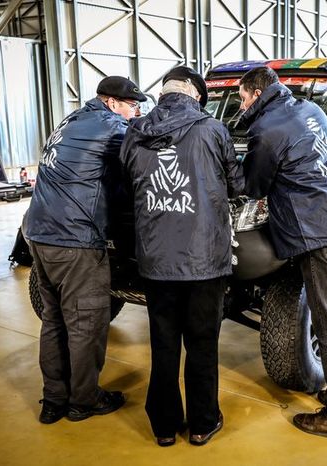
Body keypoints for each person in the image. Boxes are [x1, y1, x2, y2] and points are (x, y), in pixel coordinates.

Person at [238, 66, 327, 441]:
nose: (241, 105)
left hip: (321, 235)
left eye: (243, 98)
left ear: (257, 93)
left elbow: (253, 185)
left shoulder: (266, 130)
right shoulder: (310, 109)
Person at [119, 66, 243, 447]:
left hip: (157, 260)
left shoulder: (134, 132)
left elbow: (126, 191)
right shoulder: (212, 130)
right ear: (196, 95)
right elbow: (238, 185)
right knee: (202, 344)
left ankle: (163, 427)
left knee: (164, 344)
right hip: (205, 259)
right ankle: (203, 423)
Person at [24, 76, 145, 424]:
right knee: (86, 323)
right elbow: (141, 164)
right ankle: (84, 401)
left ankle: (54, 401)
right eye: (131, 106)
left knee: (55, 321)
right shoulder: (111, 127)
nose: (134, 112)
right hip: (75, 238)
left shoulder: (71, 120)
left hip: (39, 233)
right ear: (111, 103)